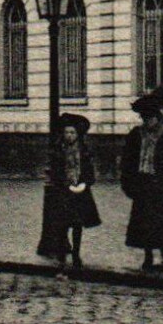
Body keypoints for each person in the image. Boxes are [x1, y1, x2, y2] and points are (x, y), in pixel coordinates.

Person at [120, 97, 163, 271]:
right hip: (143, 182)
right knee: (144, 222)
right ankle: (148, 255)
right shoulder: (136, 135)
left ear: (157, 117)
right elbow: (128, 160)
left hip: (161, 183)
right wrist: (128, 182)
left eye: (150, 118)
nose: (147, 122)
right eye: (144, 118)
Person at [37, 113, 101, 271]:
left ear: (77, 134)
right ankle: (62, 252)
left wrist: (85, 183)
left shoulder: (84, 151)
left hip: (80, 191)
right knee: (62, 224)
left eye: (72, 133)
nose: (69, 136)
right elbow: (54, 171)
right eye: (67, 132)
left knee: (78, 224)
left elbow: (90, 171)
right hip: (62, 192)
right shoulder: (58, 151)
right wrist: (63, 184)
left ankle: (76, 253)